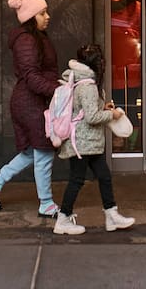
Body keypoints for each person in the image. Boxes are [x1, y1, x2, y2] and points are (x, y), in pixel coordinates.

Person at [0, 0, 61, 218]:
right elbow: (32, 76)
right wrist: (58, 89)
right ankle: (46, 203)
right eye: (42, 13)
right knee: (43, 152)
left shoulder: (33, 38)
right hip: (31, 103)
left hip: (31, 101)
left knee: (32, 152)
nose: (47, 17)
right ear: (30, 17)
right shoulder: (27, 40)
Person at [52, 43, 136, 235]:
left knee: (104, 177)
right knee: (77, 180)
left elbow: (86, 111)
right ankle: (63, 219)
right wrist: (112, 115)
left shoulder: (78, 80)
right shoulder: (88, 85)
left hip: (87, 143)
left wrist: (103, 107)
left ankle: (111, 216)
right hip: (83, 143)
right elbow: (91, 118)